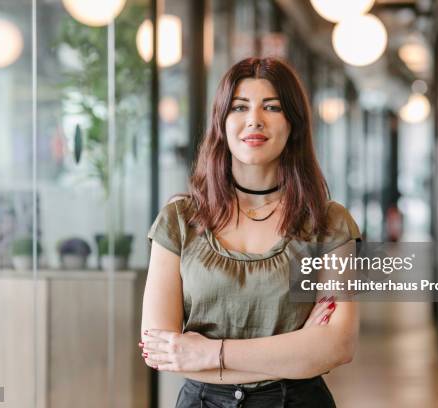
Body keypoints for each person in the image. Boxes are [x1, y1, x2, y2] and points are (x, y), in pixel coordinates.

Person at [139, 57, 361, 407]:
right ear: (221, 122)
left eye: (271, 107)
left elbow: (338, 346)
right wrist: (297, 350)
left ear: (293, 124)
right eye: (240, 107)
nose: (254, 119)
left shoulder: (328, 223)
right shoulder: (179, 220)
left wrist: (209, 352)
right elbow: (160, 351)